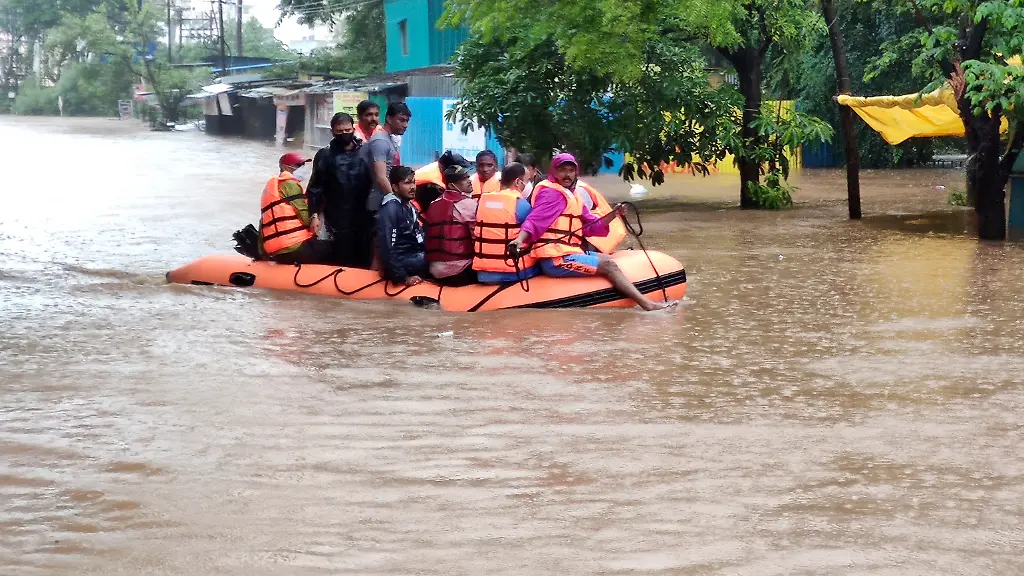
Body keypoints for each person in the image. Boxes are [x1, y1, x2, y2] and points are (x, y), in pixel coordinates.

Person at [508, 153, 672, 311]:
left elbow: (591, 226)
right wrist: (519, 240)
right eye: (562, 170)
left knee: (608, 259)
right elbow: (535, 221)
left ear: (576, 173)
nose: (567, 175)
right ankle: (647, 305)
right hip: (555, 259)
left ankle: (636, 298)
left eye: (571, 170)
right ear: (554, 172)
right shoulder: (551, 193)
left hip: (567, 252)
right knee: (608, 265)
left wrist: (613, 214)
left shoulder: (572, 195)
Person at [306, 112, 374, 267]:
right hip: (336, 216)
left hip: (364, 214)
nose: (344, 134)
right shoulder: (325, 155)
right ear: (332, 132)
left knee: (364, 254)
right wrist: (314, 215)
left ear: (353, 129)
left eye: (347, 130)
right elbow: (315, 187)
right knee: (340, 255)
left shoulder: (366, 152)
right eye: (340, 131)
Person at [473, 162, 541, 284]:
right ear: (518, 182)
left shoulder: (482, 201)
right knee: (542, 265)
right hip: (512, 271)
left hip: (482, 273)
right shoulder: (521, 204)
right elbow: (533, 232)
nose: (526, 185)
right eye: (526, 181)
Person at [259, 152, 332, 264]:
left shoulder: (271, 189)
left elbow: (262, 223)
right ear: (285, 167)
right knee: (334, 248)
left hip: (275, 251)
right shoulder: (289, 184)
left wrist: (262, 254)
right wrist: (316, 216)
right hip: (293, 247)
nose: (303, 168)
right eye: (298, 165)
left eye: (303, 165)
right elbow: (306, 218)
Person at [422, 165, 478, 286]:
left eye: (468, 177)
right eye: (463, 179)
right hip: (460, 270)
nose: (469, 181)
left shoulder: (433, 203)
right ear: (452, 185)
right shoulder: (468, 204)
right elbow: (477, 238)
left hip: (434, 270)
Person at [376, 166, 428, 285]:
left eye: (413, 182)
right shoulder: (391, 208)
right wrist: (402, 278)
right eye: (407, 183)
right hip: (402, 261)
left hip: (414, 256)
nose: (413, 187)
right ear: (395, 187)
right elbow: (387, 246)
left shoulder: (410, 207)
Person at [363, 102, 411, 213]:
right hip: (378, 204)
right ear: (389, 119)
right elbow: (381, 177)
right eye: (401, 120)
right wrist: (394, 202)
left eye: (407, 121)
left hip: (384, 201)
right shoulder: (380, 141)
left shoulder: (387, 139)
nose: (405, 125)